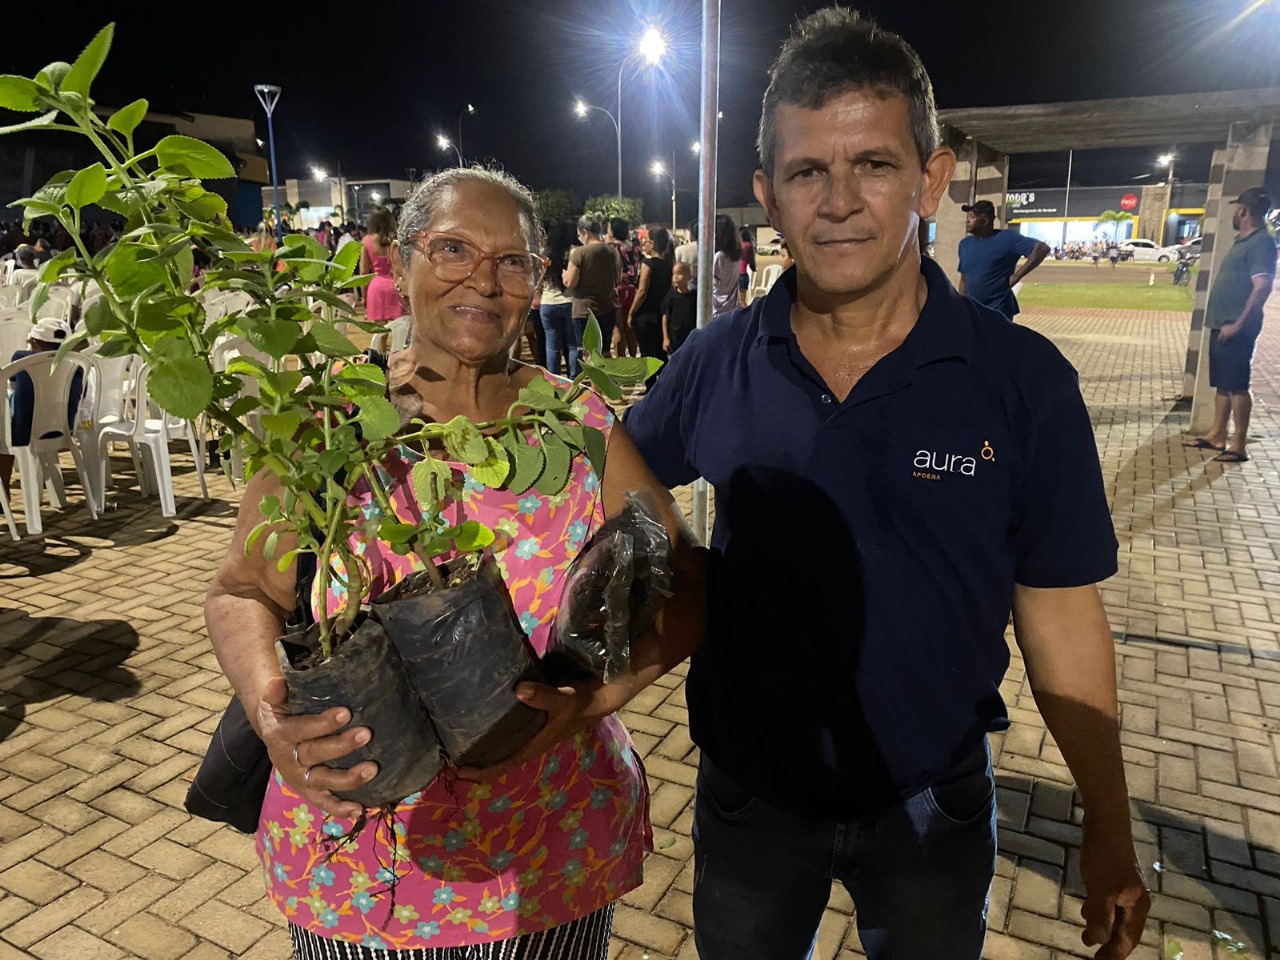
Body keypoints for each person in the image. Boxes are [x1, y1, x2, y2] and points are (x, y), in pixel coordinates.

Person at [625, 9, 1149, 960]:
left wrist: (1108, 820)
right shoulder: (716, 361)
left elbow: (1063, 616)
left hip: (934, 809)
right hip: (750, 802)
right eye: (806, 172)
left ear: (931, 179)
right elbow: (616, 467)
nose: (839, 201)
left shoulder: (1022, 383)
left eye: (873, 164)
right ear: (767, 196)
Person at [205, 166, 705, 960]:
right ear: (401, 263)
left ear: (540, 281)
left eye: (513, 261)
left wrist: (595, 700)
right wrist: (271, 717)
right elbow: (240, 589)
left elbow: (687, 584)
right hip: (363, 873)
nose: (483, 277)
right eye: (451, 248)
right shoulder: (327, 422)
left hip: (548, 859)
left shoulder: (576, 425)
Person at [1181, 186, 1276, 464]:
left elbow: (1262, 287)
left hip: (1235, 327)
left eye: (1237, 208)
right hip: (1221, 325)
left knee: (1237, 386)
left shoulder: (1261, 242)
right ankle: (1217, 435)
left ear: (1244, 211)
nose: (1234, 213)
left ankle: (1238, 444)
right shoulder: (1244, 240)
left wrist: (1237, 324)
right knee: (1223, 385)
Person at [0, 318, 83, 496]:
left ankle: (3, 492)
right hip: (64, 429)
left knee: (2, 428)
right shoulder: (77, 365)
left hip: (24, 432)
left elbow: (13, 382)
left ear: (35, 342)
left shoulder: (21, 360)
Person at [956, 200, 1049, 321]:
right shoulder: (964, 245)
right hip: (974, 312)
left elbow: (1042, 248)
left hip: (999, 311)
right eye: (967, 217)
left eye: (972, 217)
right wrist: (962, 305)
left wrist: (1016, 277)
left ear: (985, 220)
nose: (967, 220)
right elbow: (964, 279)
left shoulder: (1007, 239)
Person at [563, 213, 621, 358]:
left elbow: (571, 282)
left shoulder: (579, 253)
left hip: (584, 310)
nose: (579, 238)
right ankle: (606, 381)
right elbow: (617, 279)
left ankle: (597, 381)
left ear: (585, 232)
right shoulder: (612, 251)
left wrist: (564, 275)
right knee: (605, 351)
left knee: (590, 356)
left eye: (579, 235)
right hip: (608, 308)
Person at [628, 227, 674, 371]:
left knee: (647, 353)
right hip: (662, 315)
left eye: (645, 241)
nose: (643, 244)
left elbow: (642, 291)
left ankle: (651, 385)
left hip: (646, 315)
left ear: (653, 244)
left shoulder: (648, 264)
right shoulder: (669, 264)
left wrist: (631, 312)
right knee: (660, 353)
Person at [539, 219, 579, 376]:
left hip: (548, 303)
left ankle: (554, 382)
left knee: (552, 347)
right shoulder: (574, 252)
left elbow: (539, 280)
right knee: (573, 346)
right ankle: (574, 381)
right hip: (569, 302)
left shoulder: (545, 254)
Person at [361, 209, 404, 323]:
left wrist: (364, 296)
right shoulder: (398, 239)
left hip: (376, 289)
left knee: (380, 335)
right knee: (400, 333)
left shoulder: (367, 241)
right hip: (397, 286)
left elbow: (364, 271)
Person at [609, 218, 641, 358]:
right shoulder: (634, 247)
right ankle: (633, 359)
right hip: (633, 289)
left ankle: (621, 362)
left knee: (618, 328)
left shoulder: (612, 248)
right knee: (630, 327)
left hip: (618, 289)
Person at [661, 261, 697, 355]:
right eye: (674, 274)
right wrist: (665, 338)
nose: (675, 277)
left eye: (680, 273)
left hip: (690, 335)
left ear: (688, 276)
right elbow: (665, 316)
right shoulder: (671, 296)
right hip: (675, 336)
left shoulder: (694, 296)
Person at [710, 214, 741, 319]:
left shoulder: (719, 257)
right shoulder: (736, 255)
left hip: (717, 310)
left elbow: (713, 285)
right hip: (732, 307)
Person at [674, 220, 700, 289]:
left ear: (692, 233)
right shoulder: (709, 250)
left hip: (685, 287)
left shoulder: (681, 249)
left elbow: (675, 269)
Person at [737, 226, 756, 306]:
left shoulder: (745, 246)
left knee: (742, 302)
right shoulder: (749, 245)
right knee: (742, 301)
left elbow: (738, 249)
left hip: (741, 275)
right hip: (743, 275)